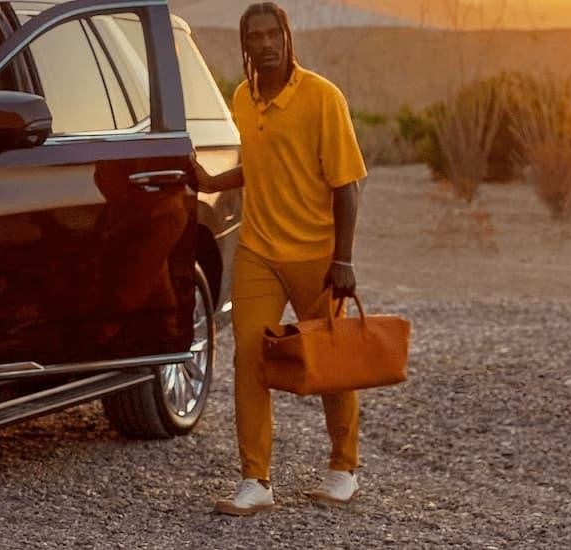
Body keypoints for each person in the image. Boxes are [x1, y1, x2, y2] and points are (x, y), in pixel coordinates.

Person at [194, 1, 367, 516]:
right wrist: (210, 181)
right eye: (255, 37)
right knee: (250, 357)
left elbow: (348, 185)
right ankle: (256, 480)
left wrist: (345, 259)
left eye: (274, 35)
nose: (265, 44)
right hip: (258, 252)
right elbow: (260, 165)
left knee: (331, 361)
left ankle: (343, 469)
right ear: (245, 44)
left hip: (317, 254)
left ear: (287, 38)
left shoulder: (321, 97)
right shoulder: (243, 98)